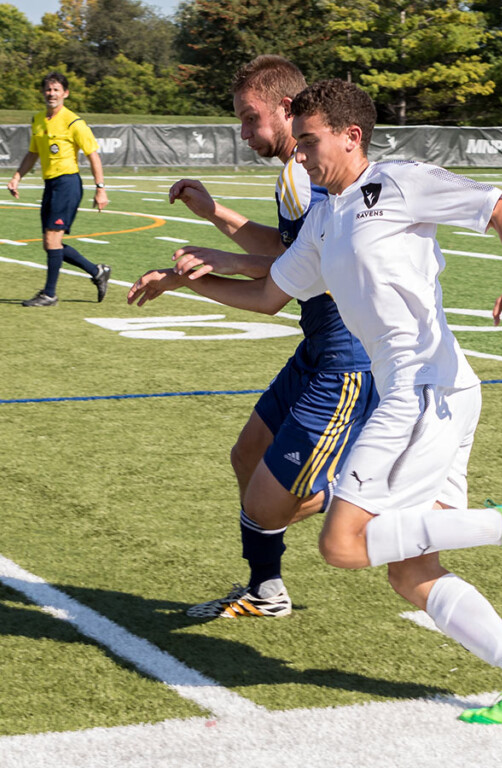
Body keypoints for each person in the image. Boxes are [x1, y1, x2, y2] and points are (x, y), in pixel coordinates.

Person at [129, 79, 502, 725]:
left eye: (308, 141)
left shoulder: (395, 182)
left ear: (350, 136)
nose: (301, 155)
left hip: (422, 393)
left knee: (342, 545)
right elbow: (267, 297)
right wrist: (184, 282)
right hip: (434, 394)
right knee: (411, 571)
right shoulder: (324, 220)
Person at [155, 56, 377, 620]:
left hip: (345, 350)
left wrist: (213, 262)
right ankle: (266, 588)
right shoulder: (296, 175)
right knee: (248, 455)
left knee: (272, 498)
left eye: (251, 118)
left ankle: (376, 494)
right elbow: (288, 249)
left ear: (286, 109)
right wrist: (213, 216)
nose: (245, 133)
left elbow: (297, 267)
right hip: (317, 343)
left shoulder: (308, 174)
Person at [7, 72, 110, 305]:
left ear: (65, 93)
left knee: (53, 241)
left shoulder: (74, 122)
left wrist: (100, 188)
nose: (51, 94)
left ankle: (49, 294)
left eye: (56, 89)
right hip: (50, 185)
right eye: (47, 89)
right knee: (50, 243)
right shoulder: (38, 120)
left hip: (67, 184)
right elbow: (33, 153)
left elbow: (93, 155)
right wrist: (17, 177)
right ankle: (97, 272)